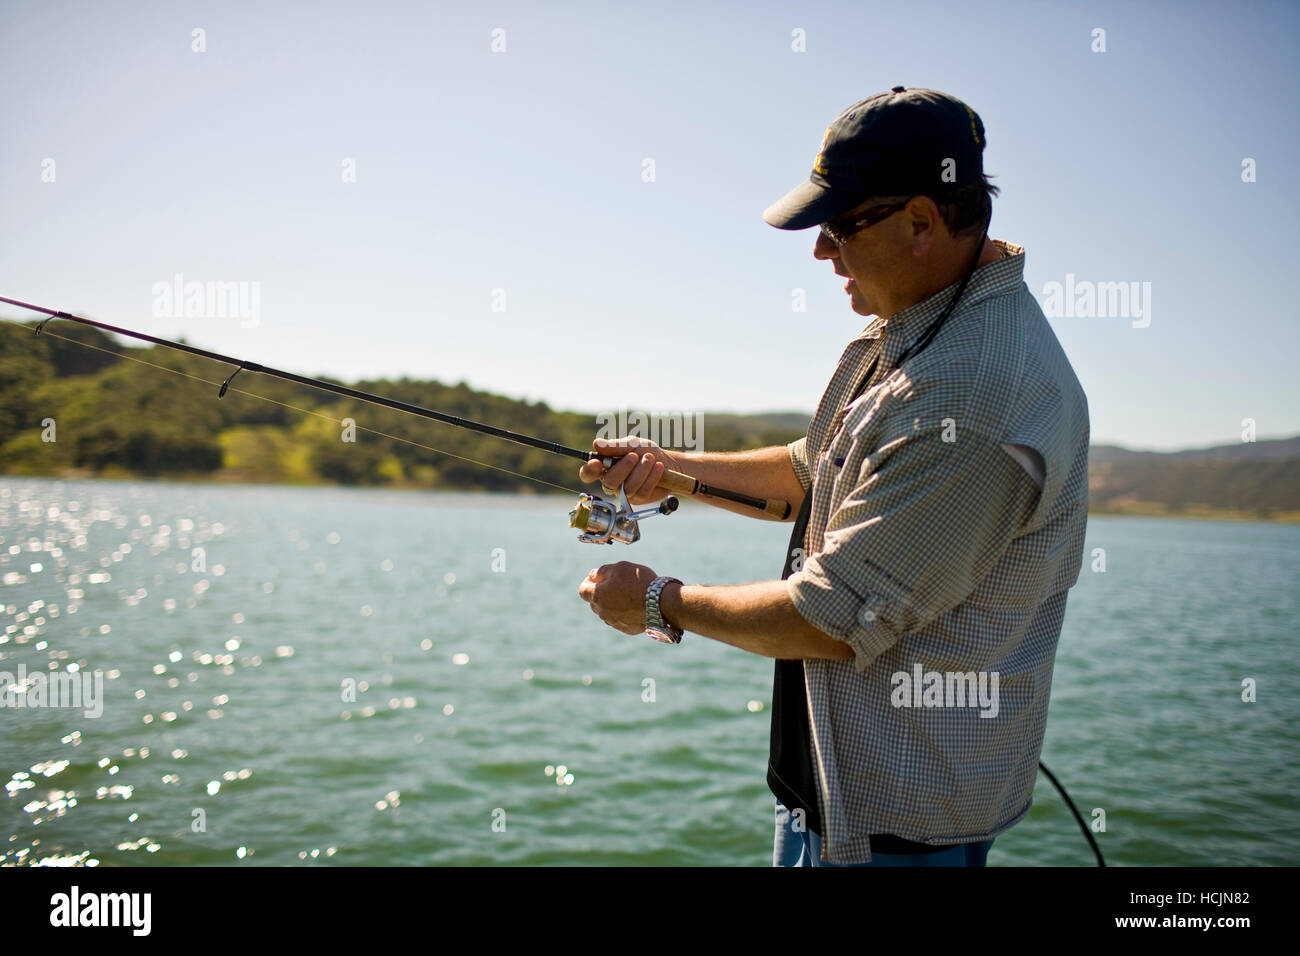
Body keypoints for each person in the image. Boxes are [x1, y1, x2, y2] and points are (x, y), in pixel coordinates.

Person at [577, 87, 1090, 866]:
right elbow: (813, 473)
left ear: (922, 221)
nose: (822, 252)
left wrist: (653, 602)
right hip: (836, 805)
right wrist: (671, 468)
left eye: (842, 226)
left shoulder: (969, 394)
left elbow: (829, 617)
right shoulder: (917, 333)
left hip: (891, 836)